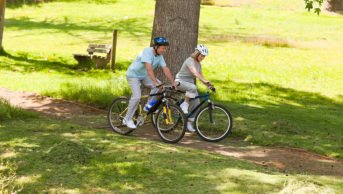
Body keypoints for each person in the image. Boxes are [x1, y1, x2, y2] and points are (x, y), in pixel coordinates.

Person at [123, 37, 177, 129]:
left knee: (160, 86)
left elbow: (165, 69)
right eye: (163, 48)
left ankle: (148, 106)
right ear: (156, 47)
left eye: (165, 48)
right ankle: (127, 119)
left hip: (143, 75)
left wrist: (173, 83)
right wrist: (155, 82)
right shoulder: (146, 52)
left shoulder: (160, 56)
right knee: (136, 97)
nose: (164, 50)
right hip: (133, 75)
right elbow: (149, 69)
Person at [174, 44, 212, 132]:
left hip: (190, 86)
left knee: (197, 104)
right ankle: (185, 104)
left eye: (204, 57)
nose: (202, 58)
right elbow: (195, 73)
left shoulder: (199, 65)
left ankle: (188, 123)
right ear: (197, 53)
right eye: (201, 55)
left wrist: (208, 84)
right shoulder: (189, 60)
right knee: (193, 87)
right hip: (180, 82)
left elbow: (202, 77)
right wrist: (203, 80)